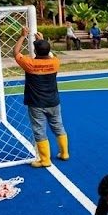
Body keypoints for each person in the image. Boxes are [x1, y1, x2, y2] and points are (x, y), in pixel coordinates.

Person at [13, 27, 69, 167]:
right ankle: (64, 153)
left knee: (39, 130)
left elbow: (16, 53)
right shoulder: (55, 62)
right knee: (58, 127)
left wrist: (22, 36)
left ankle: (45, 160)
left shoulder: (30, 64)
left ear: (35, 51)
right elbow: (48, 54)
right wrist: (42, 40)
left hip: (36, 103)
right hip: (53, 102)